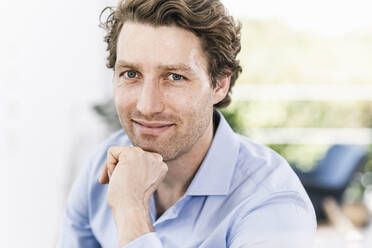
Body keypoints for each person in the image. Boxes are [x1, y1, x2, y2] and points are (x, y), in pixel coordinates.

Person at [58, 0, 316, 247]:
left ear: (219, 85)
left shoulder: (272, 203)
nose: (146, 106)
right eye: (131, 74)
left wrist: (131, 212)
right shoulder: (99, 170)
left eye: (174, 77)